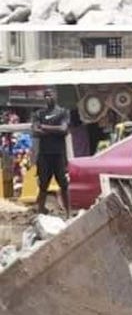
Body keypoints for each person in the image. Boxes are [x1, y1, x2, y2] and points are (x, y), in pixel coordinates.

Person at [32, 89, 70, 218]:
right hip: (44, 155)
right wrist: (55, 130)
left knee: (63, 184)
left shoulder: (63, 112)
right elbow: (35, 131)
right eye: (46, 95)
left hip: (59, 154)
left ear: (56, 96)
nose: (48, 98)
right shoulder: (39, 114)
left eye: (50, 95)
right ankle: (41, 210)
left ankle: (68, 213)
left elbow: (64, 129)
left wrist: (45, 127)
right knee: (43, 185)